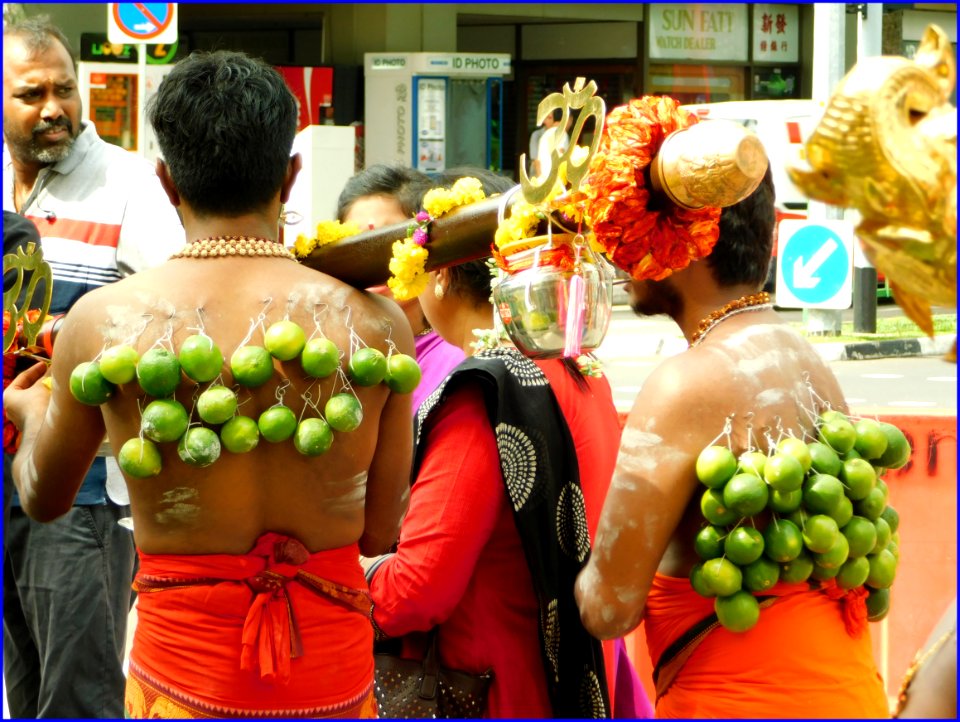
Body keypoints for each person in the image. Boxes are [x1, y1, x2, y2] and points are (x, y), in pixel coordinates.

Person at [4, 50, 414, 718]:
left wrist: (26, 411)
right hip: (332, 677)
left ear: (166, 182)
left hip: (179, 684)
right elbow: (378, 534)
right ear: (291, 174)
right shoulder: (377, 326)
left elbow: (46, 499)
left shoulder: (101, 322)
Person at [574, 168, 889, 717]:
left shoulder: (685, 383)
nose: (616, 255)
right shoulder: (805, 358)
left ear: (688, 244)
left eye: (626, 230)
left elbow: (608, 609)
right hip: (850, 694)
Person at [365, 168, 643, 717]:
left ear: (438, 278)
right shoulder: (581, 368)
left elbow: (413, 593)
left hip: (494, 691)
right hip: (570, 680)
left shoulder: (484, 393)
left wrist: (340, 572)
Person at [2, 16, 185, 718]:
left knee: (78, 694)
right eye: (30, 94)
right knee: (24, 688)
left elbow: (172, 313)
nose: (55, 108)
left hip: (78, 488)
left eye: (65, 90)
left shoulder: (128, 185)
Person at [337, 164, 465, 414]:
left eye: (389, 241)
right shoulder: (326, 351)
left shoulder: (454, 362)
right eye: (355, 243)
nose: (371, 259)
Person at [533, 108, 571, 180]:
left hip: (543, 180)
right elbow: (561, 153)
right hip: (556, 182)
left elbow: (537, 162)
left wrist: (540, 180)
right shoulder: (562, 133)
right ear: (567, 118)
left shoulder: (545, 135)